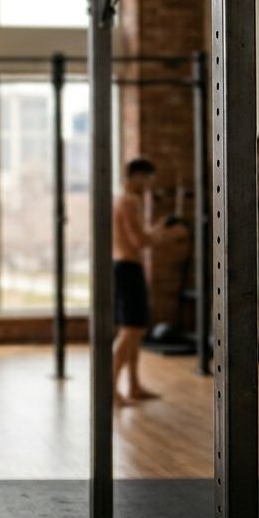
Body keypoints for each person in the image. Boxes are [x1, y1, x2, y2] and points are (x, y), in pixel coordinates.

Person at [112, 158, 182, 407]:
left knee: (136, 330)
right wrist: (170, 235)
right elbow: (140, 242)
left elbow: (139, 236)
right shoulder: (130, 201)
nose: (149, 186)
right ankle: (110, 389)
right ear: (137, 176)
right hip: (128, 268)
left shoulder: (122, 200)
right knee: (130, 330)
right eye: (148, 180)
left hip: (124, 267)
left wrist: (159, 229)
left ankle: (133, 385)